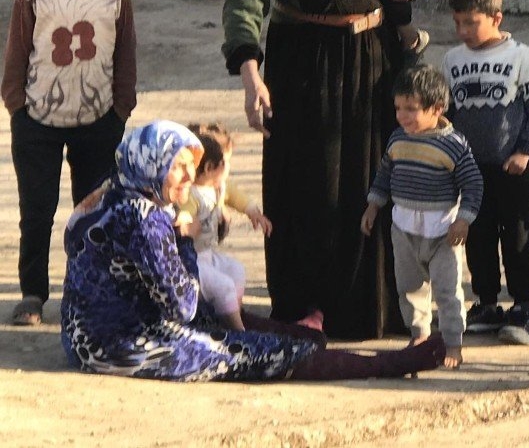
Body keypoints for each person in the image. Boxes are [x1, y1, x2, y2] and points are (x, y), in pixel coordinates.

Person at [223, 0, 422, 339]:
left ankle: (377, 306)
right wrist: (251, 75)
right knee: (313, 186)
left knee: (373, 184)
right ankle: (311, 306)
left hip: (372, 61)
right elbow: (244, 1)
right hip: (303, 66)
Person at [61, 120, 445, 382]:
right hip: (117, 346)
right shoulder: (145, 218)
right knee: (258, 355)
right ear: (153, 165)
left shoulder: (112, 188)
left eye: (189, 166)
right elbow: (183, 306)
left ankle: (299, 336)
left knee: (223, 320)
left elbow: (73, 242)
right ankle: (390, 363)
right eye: (178, 167)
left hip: (82, 333)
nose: (189, 177)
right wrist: (185, 243)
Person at [2, 0, 136, 326]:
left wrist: (121, 106)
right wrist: (17, 103)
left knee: (94, 210)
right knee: (36, 210)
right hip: (38, 119)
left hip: (99, 118)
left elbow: (125, 51)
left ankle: (87, 290)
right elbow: (19, 47)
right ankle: (33, 294)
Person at [442, 0, 529, 344]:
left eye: (471, 22)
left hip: (512, 168)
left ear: (496, 17)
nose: (462, 30)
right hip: (471, 172)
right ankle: (486, 302)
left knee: (517, 236)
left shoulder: (520, 56)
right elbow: (448, 112)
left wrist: (525, 150)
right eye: (457, 22)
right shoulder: (451, 60)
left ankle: (524, 306)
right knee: (478, 237)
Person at [361, 66, 483, 369]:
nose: (403, 115)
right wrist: (373, 205)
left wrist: (464, 220)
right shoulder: (397, 140)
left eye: (411, 109)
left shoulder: (453, 144)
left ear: (436, 109)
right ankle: (419, 334)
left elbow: (473, 184)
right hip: (403, 230)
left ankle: (452, 342)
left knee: (447, 290)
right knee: (410, 287)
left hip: (444, 232)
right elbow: (384, 175)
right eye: (399, 108)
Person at [175, 123, 272, 331]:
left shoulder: (218, 187)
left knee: (236, 270)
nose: (228, 170)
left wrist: (253, 212)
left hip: (209, 253)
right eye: (225, 163)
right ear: (210, 167)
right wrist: (186, 226)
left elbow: (236, 196)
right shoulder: (191, 194)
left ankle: (232, 313)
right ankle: (240, 332)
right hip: (192, 260)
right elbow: (183, 216)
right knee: (223, 286)